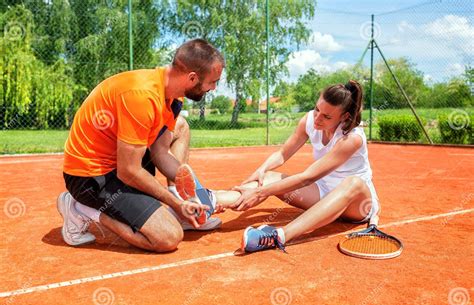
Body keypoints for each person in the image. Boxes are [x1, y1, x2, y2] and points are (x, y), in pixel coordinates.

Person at [57, 39, 224, 252]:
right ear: (192, 78)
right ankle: (80, 208)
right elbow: (129, 171)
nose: (214, 87)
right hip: (90, 176)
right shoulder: (141, 96)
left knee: (181, 126)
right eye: (212, 82)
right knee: (168, 238)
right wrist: (176, 205)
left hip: (119, 162)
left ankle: (183, 208)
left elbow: (161, 152)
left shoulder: (173, 95)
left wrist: (195, 197)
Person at [219, 80, 380, 252]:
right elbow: (282, 154)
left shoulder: (352, 138)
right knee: (267, 177)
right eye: (318, 109)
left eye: (326, 116)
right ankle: (208, 203)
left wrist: (259, 192)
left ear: (345, 117)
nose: (317, 118)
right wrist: (261, 170)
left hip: (356, 204)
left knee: (353, 182)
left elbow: (307, 178)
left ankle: (278, 236)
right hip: (323, 194)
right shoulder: (310, 120)